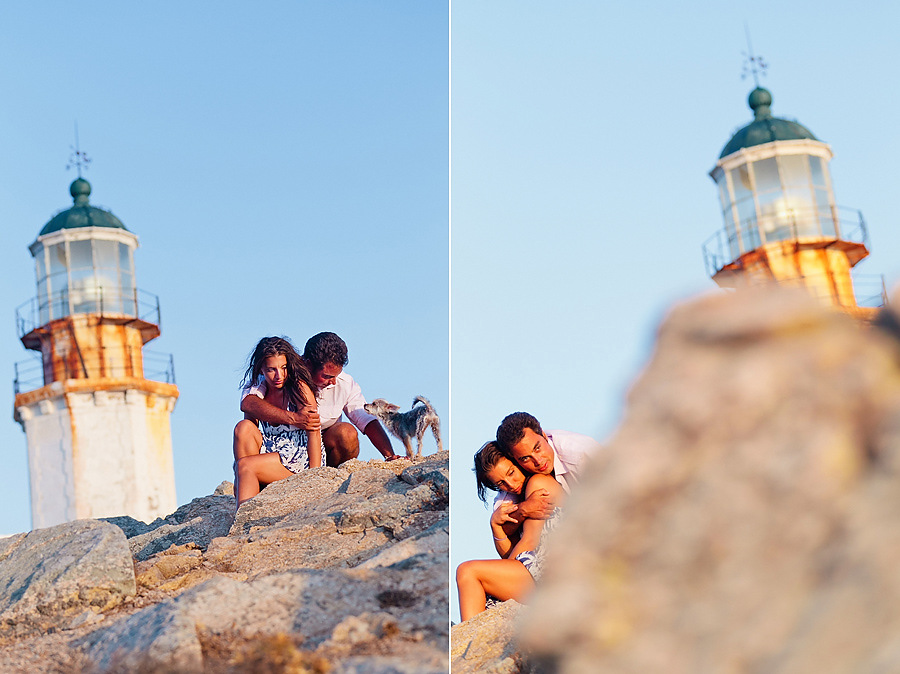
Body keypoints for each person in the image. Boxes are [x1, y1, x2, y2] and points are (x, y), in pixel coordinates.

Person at [235, 332, 400, 467]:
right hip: (282, 446)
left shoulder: (343, 382)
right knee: (244, 428)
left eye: (336, 375)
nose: (333, 381)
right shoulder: (283, 373)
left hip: (324, 446)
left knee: (347, 433)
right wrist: (294, 418)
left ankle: (331, 479)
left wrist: (390, 455)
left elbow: (366, 420)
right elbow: (249, 403)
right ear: (307, 364)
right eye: (327, 376)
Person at [456, 441, 564, 622]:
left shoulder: (538, 484)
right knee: (477, 587)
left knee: (468, 571)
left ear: (518, 462)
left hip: (558, 571)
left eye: (511, 473)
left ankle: (466, 640)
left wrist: (500, 577)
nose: (511, 484)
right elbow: (509, 557)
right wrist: (496, 527)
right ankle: (470, 640)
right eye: (501, 483)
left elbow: (530, 542)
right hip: (539, 573)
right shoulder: (517, 500)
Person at [233, 337, 323, 508]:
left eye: (283, 368)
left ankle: (242, 516)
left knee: (246, 465)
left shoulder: (298, 387)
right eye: (271, 370)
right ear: (261, 369)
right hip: (271, 448)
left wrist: (315, 475)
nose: (278, 376)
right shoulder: (256, 388)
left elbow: (314, 432)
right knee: (242, 428)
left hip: (298, 455)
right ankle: (248, 485)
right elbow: (249, 428)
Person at [492, 411, 600, 522]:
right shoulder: (515, 477)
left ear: (544, 435)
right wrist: (522, 510)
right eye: (525, 458)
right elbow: (501, 520)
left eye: (537, 448)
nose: (538, 461)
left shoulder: (581, 455)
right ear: (514, 459)